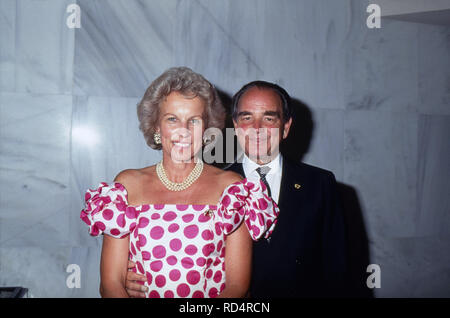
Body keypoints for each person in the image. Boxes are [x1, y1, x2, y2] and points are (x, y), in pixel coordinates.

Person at [125, 80, 347, 298]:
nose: (257, 128)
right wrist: (135, 276)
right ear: (235, 125)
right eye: (247, 117)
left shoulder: (321, 184)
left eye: (269, 118)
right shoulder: (211, 185)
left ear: (285, 127)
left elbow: (339, 271)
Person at [80, 68, 279, 298]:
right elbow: (111, 284)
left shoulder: (233, 190)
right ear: (156, 126)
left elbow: (237, 287)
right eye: (172, 119)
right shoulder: (125, 186)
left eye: (193, 120)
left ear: (206, 129)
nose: (183, 131)